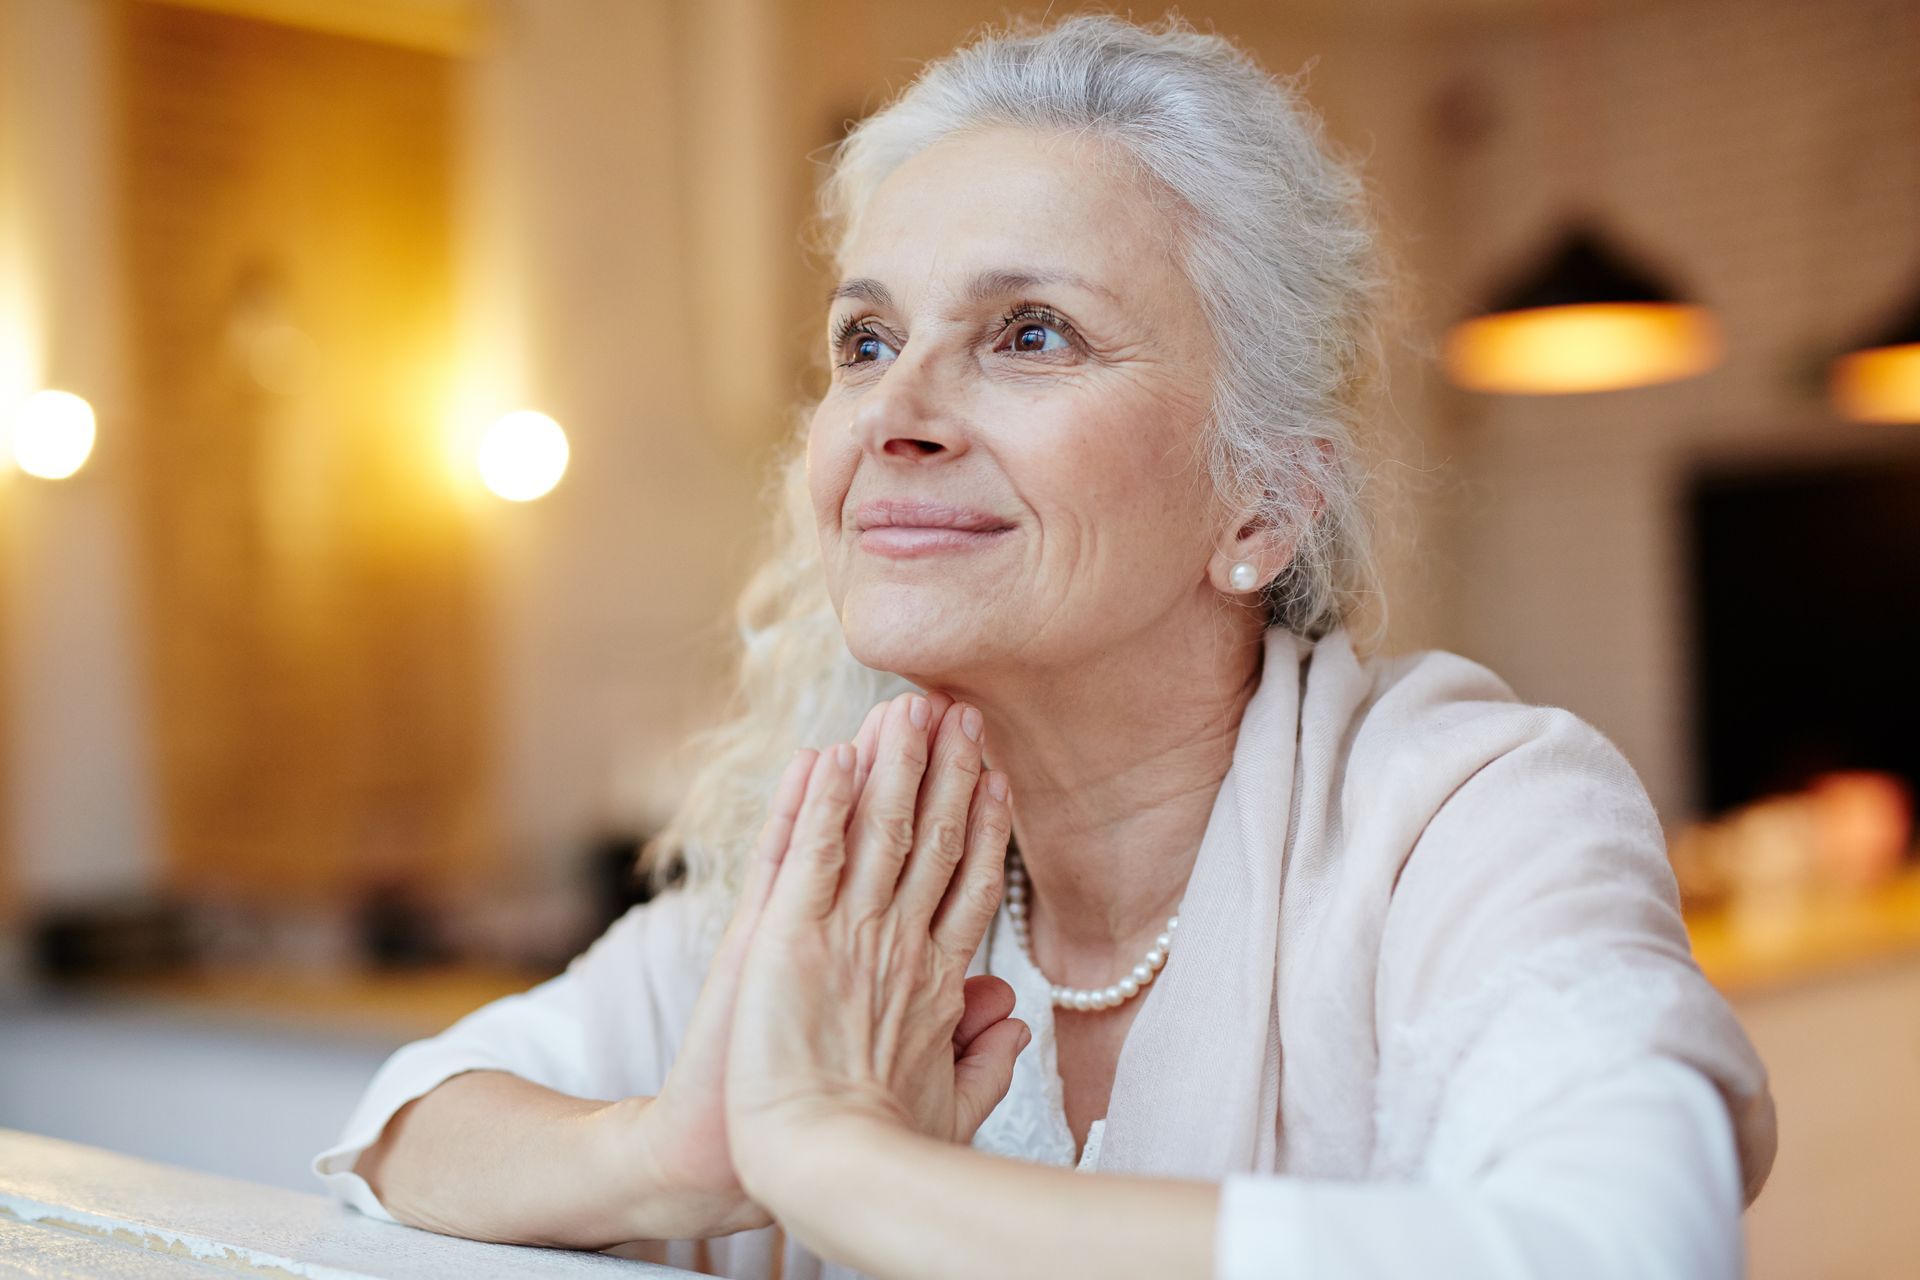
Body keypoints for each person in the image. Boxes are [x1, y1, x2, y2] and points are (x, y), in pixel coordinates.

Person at [312, 14, 1776, 1279]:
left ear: (1262, 503)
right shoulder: (853, 857)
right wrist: (678, 1153)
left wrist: (839, 1163)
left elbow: (1617, 1249)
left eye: (1030, 335)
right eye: (867, 343)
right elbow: (409, 1128)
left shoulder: (1469, 815)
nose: (899, 413)